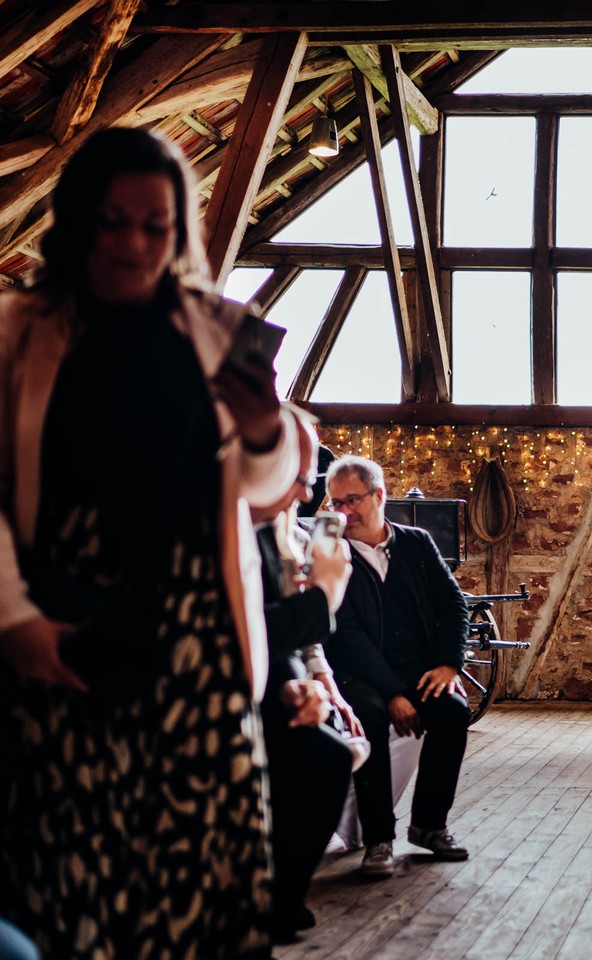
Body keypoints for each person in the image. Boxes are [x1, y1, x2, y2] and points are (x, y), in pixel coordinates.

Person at [0, 127, 303, 956]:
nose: (134, 243)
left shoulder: (218, 328)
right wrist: (14, 621)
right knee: (76, 882)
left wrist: (265, 429)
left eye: (155, 225)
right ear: (76, 222)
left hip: (197, 642)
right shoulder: (17, 331)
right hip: (63, 638)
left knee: (205, 882)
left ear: (180, 232)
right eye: (113, 220)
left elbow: (272, 494)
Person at [324, 455, 472, 878]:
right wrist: (392, 694)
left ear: (379, 496)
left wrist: (448, 664)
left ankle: (429, 825)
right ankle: (378, 840)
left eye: (352, 500)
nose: (344, 512)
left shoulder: (416, 542)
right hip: (359, 674)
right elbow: (345, 634)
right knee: (369, 716)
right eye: (335, 503)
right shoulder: (333, 554)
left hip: (417, 667)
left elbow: (452, 605)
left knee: (452, 712)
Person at [252, 418, 355, 944]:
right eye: (298, 476)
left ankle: (282, 895)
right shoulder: (241, 532)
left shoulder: (279, 530)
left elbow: (279, 635)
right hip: (234, 691)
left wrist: (314, 681)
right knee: (324, 760)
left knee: (331, 756)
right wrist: (326, 595)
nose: (307, 491)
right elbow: (253, 625)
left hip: (275, 680)